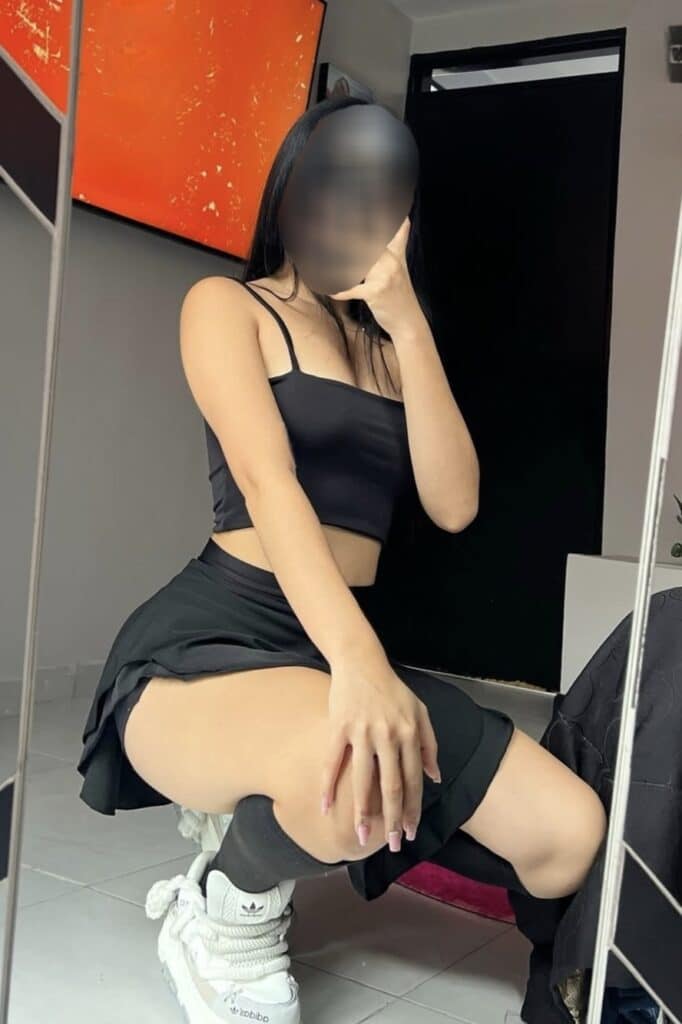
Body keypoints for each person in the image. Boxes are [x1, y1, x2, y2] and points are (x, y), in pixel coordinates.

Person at [76, 96, 607, 1024]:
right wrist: (362, 666)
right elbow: (268, 483)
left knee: (569, 837)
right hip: (216, 633)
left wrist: (408, 325)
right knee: (352, 763)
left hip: (332, 642)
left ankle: (285, 813)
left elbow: (455, 502)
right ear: (292, 187)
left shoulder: (387, 347)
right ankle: (224, 908)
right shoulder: (227, 306)